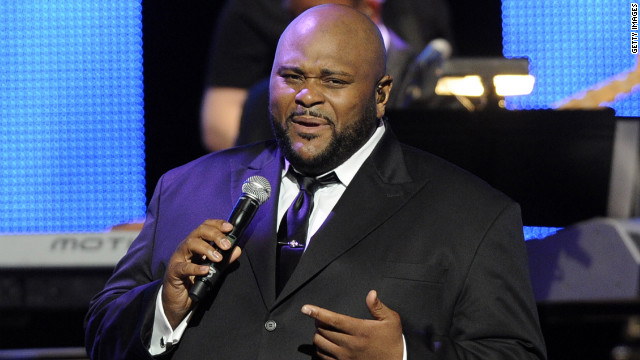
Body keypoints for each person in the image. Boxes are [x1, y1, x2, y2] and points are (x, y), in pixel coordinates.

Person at [85, 5, 546, 359]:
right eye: (291, 77)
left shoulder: (474, 215)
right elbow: (102, 334)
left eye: (333, 80)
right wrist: (164, 308)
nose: (307, 96)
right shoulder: (185, 189)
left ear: (381, 94)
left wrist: (406, 355)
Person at [200, 0, 451, 152]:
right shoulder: (261, 102)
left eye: (325, 20)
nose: (305, 32)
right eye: (294, 19)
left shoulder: (423, 77)